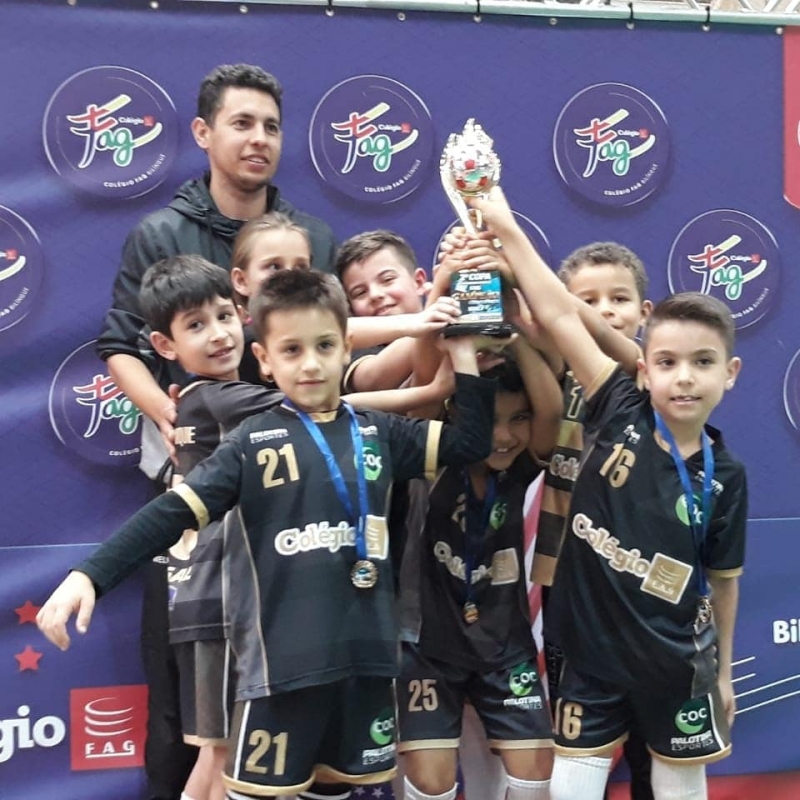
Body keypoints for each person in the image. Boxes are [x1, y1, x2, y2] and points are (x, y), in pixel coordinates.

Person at [38, 268, 498, 799]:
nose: (310, 364)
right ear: (264, 359)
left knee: (337, 791)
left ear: (346, 347)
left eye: (324, 345)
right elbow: (170, 513)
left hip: (365, 667)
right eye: (292, 350)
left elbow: (470, 443)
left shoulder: (381, 433)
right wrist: (89, 576)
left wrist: (464, 355)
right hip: (281, 672)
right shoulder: (251, 441)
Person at [95, 63, 337, 800]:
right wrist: (179, 420)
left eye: (271, 126)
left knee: (278, 682)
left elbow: (333, 345)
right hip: (192, 494)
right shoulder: (161, 233)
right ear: (203, 133)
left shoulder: (309, 237)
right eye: (242, 123)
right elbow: (120, 347)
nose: (258, 139)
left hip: (290, 497)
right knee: (185, 696)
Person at [470, 187, 746, 800]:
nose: (684, 378)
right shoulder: (616, 405)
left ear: (729, 374)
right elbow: (561, 316)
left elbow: (724, 582)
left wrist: (724, 672)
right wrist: (504, 223)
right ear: (643, 369)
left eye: (703, 363)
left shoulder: (727, 477)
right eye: (667, 363)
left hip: (679, 668)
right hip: (589, 660)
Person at [395, 334, 562, 800]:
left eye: (518, 418)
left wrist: (515, 338)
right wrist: (453, 338)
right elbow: (426, 383)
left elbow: (552, 411)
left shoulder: (520, 467)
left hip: (505, 645)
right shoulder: (428, 456)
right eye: (489, 420)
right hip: (428, 645)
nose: (504, 436)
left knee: (537, 778)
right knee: (432, 781)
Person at [531, 242, 654, 800]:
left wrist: (560, 305)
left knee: (652, 738)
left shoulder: (646, 376)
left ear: (645, 313)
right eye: (588, 299)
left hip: (639, 588)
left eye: (619, 299)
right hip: (566, 583)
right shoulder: (557, 377)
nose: (605, 310)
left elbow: (594, 334)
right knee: (577, 740)